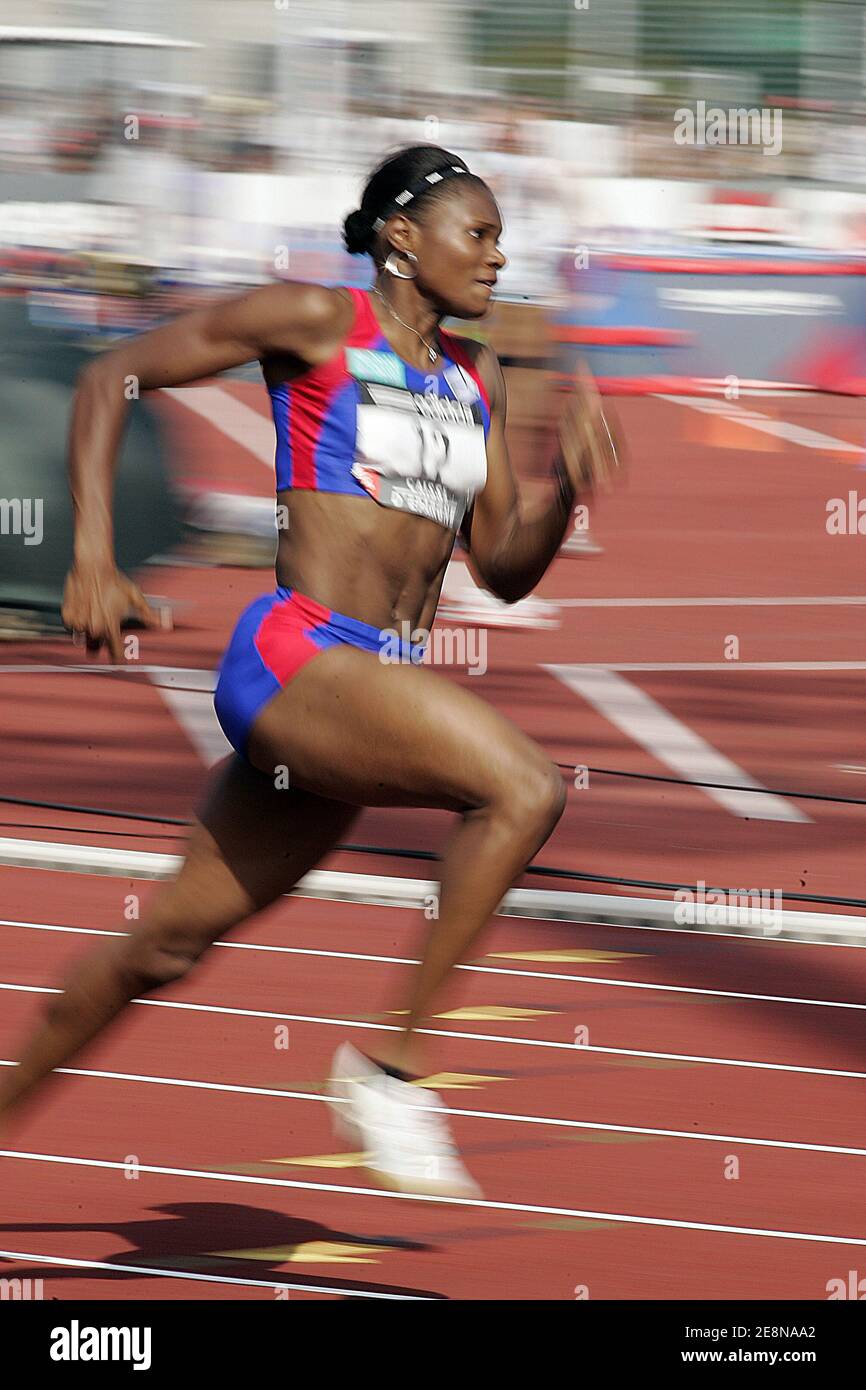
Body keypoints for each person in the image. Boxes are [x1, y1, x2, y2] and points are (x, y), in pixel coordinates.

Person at [0, 145, 619, 1198]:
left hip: (364, 693)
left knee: (158, 950)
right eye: (478, 232)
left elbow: (503, 572)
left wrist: (563, 486)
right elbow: (115, 376)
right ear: (399, 238)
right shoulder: (315, 322)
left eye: (500, 237)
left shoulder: (476, 375)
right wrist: (93, 558)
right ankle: (388, 1068)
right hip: (299, 653)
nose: (498, 256)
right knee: (524, 786)